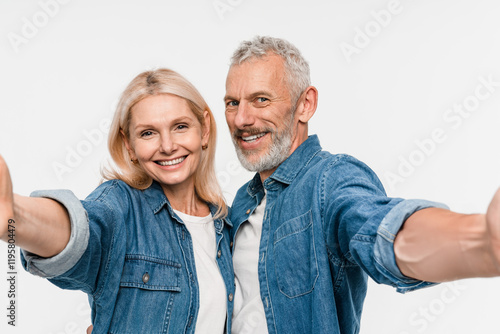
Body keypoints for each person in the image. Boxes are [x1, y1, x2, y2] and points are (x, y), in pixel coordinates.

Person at [224, 36, 500, 333]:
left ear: (305, 104)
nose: (241, 119)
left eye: (261, 99)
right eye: (232, 103)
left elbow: (381, 231)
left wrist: (481, 241)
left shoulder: (330, 179)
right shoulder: (241, 202)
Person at [0, 68, 235, 333]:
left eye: (180, 127)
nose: (168, 146)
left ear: (204, 129)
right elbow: (82, 233)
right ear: (129, 145)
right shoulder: (122, 205)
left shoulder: (225, 225)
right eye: (148, 133)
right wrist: (16, 216)